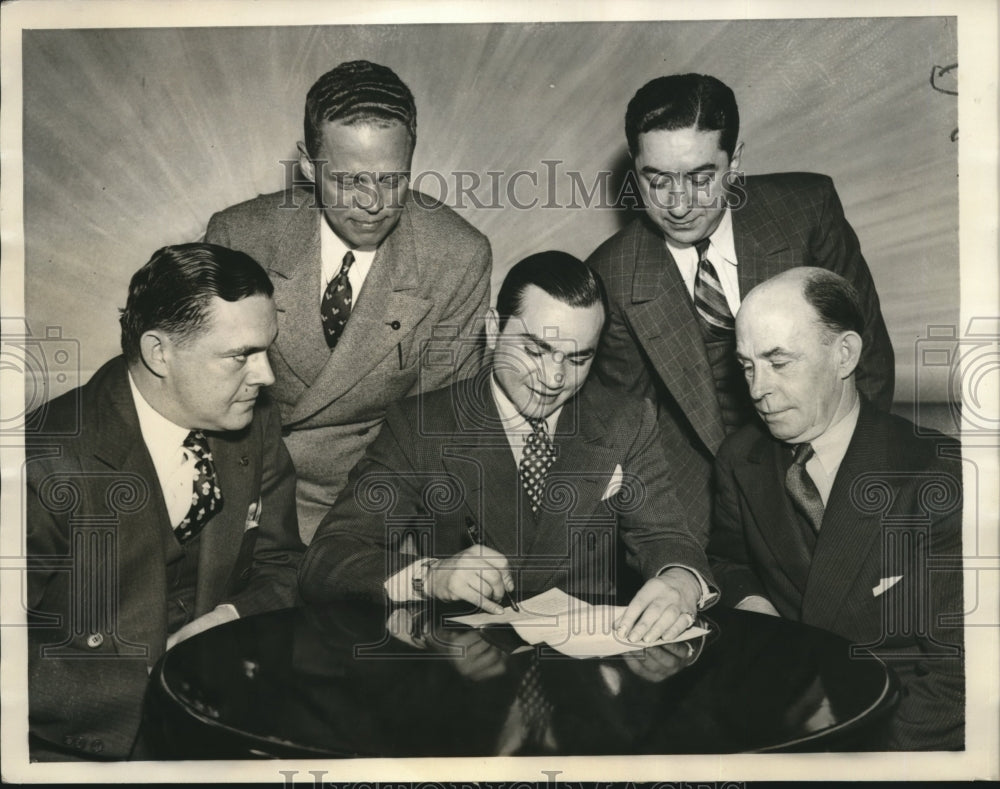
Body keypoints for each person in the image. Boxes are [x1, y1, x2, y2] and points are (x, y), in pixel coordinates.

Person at [299, 251, 716, 646]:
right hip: (471, 665)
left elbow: (665, 535)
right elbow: (327, 558)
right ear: (493, 330)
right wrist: (430, 576)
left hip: (591, 667)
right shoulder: (423, 426)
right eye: (535, 350)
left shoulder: (626, 420)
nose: (553, 378)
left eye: (577, 360)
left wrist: (680, 581)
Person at [587, 73, 894, 545]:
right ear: (635, 167)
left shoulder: (807, 213)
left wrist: (843, 484)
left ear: (735, 162)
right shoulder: (610, 274)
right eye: (658, 180)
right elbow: (632, 431)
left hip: (834, 466)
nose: (679, 205)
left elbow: (865, 360)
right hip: (700, 503)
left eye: (701, 178)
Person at [26, 244, 304, 761]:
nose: (266, 376)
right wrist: (152, 684)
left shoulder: (253, 421)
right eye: (241, 355)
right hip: (80, 742)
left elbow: (284, 563)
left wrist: (231, 616)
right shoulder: (42, 461)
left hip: (224, 712)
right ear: (159, 353)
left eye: (267, 350)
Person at [205, 60, 492, 542]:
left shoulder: (457, 256)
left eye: (392, 179)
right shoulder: (238, 237)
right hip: (246, 494)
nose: (372, 203)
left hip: (373, 506)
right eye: (346, 180)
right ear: (307, 165)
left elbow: (436, 430)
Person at [709, 267, 963, 750]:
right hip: (781, 714)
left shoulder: (941, 475)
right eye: (747, 366)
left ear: (844, 354)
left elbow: (960, 676)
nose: (758, 389)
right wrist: (753, 608)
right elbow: (727, 561)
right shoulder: (740, 458)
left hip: (896, 731)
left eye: (779, 362)